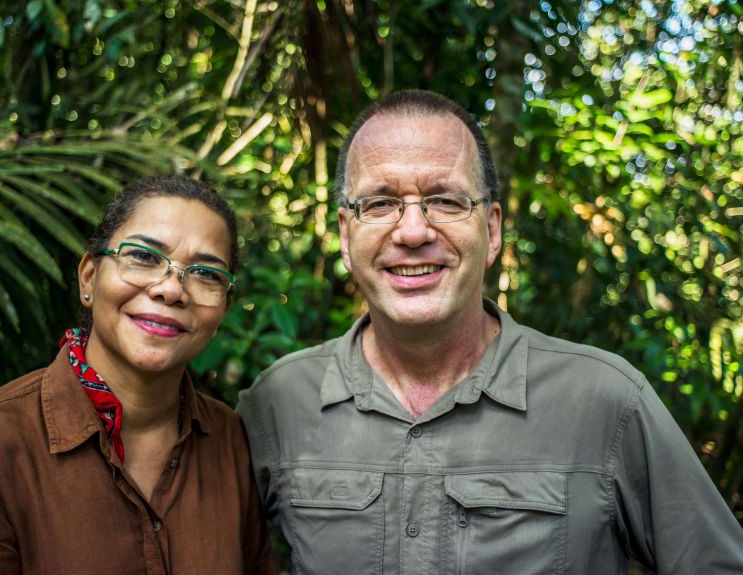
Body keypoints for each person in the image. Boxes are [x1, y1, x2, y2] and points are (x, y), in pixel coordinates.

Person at [237, 90, 743, 574]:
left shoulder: (604, 400)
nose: (413, 231)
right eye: (380, 203)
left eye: (446, 201)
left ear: (493, 229)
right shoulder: (278, 403)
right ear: (347, 235)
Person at [0, 176, 275, 574]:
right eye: (144, 257)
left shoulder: (230, 437)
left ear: (222, 311)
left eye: (206, 274)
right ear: (89, 278)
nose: (171, 290)